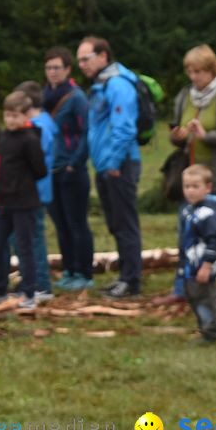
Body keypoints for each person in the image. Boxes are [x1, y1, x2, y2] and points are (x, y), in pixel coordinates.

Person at [162, 44, 216, 306]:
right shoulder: (185, 96)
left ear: (212, 70)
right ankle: (182, 287)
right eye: (189, 71)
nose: (193, 76)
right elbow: (176, 133)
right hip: (190, 178)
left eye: (198, 71)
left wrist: (207, 136)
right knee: (187, 231)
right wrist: (177, 136)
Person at [76, 36, 143, 299]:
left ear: (103, 56)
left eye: (86, 58)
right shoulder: (102, 84)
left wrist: (114, 163)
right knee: (116, 223)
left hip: (120, 164)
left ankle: (132, 281)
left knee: (125, 224)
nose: (82, 64)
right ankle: (126, 275)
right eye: (79, 59)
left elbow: (125, 127)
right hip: (106, 165)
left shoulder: (118, 84)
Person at [0, 91, 47, 311]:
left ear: (25, 116)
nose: (10, 120)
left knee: (24, 248)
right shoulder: (4, 137)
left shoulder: (31, 140)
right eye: (7, 115)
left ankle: (30, 293)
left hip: (24, 204)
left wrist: (21, 181)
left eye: (15, 115)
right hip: (3, 204)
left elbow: (40, 171)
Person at [41, 47, 93, 291]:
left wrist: (75, 163)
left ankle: (84, 272)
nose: (52, 72)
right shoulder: (43, 97)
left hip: (71, 169)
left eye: (57, 68)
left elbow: (86, 133)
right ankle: (69, 269)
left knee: (76, 223)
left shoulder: (76, 98)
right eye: (49, 68)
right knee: (60, 224)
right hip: (50, 170)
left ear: (67, 69)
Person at [13, 80, 56, 301]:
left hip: (34, 193)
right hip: (31, 192)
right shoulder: (40, 124)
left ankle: (41, 285)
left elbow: (35, 163)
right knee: (26, 238)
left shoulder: (39, 128)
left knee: (33, 239)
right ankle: (30, 280)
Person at [178, 164, 216, 343]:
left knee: (206, 297)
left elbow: (214, 242)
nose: (190, 191)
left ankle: (211, 332)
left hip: (204, 266)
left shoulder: (208, 214)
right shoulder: (189, 210)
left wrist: (206, 266)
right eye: (186, 186)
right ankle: (203, 327)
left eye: (195, 187)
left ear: (207, 188)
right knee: (194, 296)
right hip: (191, 265)